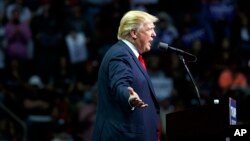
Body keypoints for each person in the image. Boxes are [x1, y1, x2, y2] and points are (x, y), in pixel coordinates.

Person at [92, 10, 161, 141]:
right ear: (134, 33)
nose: (154, 34)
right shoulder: (120, 54)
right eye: (150, 29)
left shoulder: (131, 56)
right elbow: (119, 84)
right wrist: (129, 98)